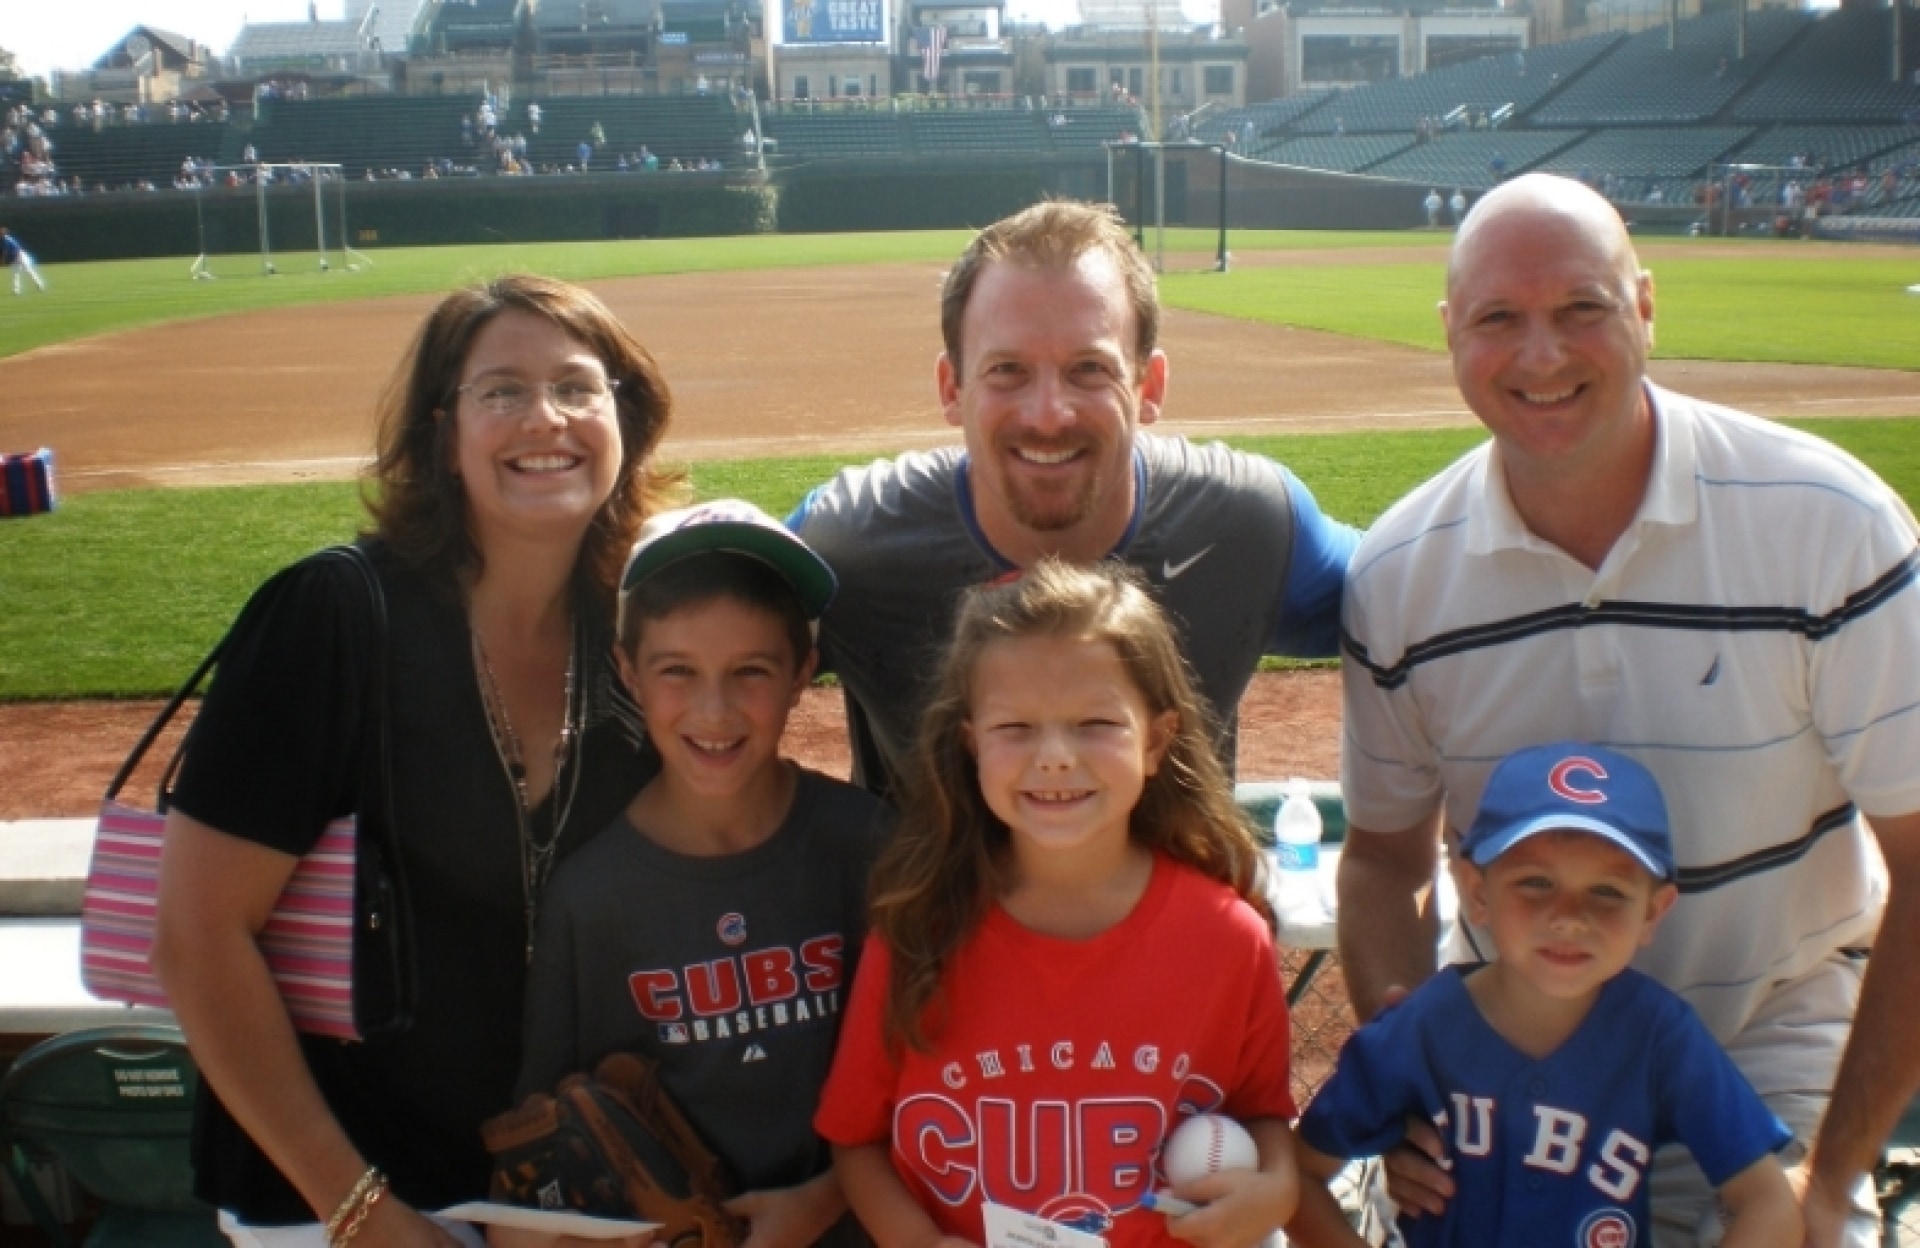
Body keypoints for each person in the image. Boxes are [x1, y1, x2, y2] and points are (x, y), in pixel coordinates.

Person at [1335, 172, 1920, 1247]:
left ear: (1645, 307)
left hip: (1767, 1039)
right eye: (1498, 318)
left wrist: (1831, 1180)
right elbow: (1383, 859)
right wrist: (1413, 1064)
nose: (1541, 354)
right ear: (1450, 333)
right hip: (1505, 1045)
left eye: (1582, 309)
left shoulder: (1827, 526)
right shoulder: (1402, 574)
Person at [151, 275, 681, 1247]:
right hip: (333, 1195)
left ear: (625, 418)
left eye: (578, 387)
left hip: (550, 1192)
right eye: (500, 392)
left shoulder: (635, 635)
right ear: (443, 434)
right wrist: (359, 1212)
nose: (545, 419)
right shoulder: (333, 615)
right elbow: (197, 936)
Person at [813, 559, 1353, 1248]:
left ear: (1156, 741)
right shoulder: (922, 926)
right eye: (1016, 729)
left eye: (1095, 721)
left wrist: (1275, 1187)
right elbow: (855, 1140)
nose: (1056, 756)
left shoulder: (1225, 937)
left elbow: (1262, 1118)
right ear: (971, 744)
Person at [787, 200, 1359, 795]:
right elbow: (704, 667)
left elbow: (1425, 597)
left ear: (1149, 386)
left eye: (1089, 369)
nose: (1049, 415)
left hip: (1178, 891)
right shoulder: (846, 545)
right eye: (1007, 370)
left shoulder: (1250, 524)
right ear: (952, 388)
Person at [515, 499, 892, 1248]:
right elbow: (542, 1130)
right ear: (628, 671)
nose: (713, 710)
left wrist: (821, 1202)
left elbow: (946, 1083)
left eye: (750, 670)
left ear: (802, 674)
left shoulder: (874, 847)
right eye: (677, 671)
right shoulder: (591, 897)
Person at [1297, 743, 1799, 1248]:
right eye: (1535, 882)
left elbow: (1769, 1202)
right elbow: (1299, 1174)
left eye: (1607, 891)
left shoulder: (1661, 1037)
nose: (1569, 917)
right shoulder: (1420, 1028)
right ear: (1476, 892)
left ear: (1653, 911)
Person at [1, 225, 47, 294]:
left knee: (29, 271)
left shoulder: (8, 239)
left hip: (20, 256)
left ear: (4, 233)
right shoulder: (4, 240)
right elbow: (5, 251)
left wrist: (4, 260)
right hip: (15, 258)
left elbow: (16, 249)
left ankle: (40, 285)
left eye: (1, 232)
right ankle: (16, 291)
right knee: (15, 274)